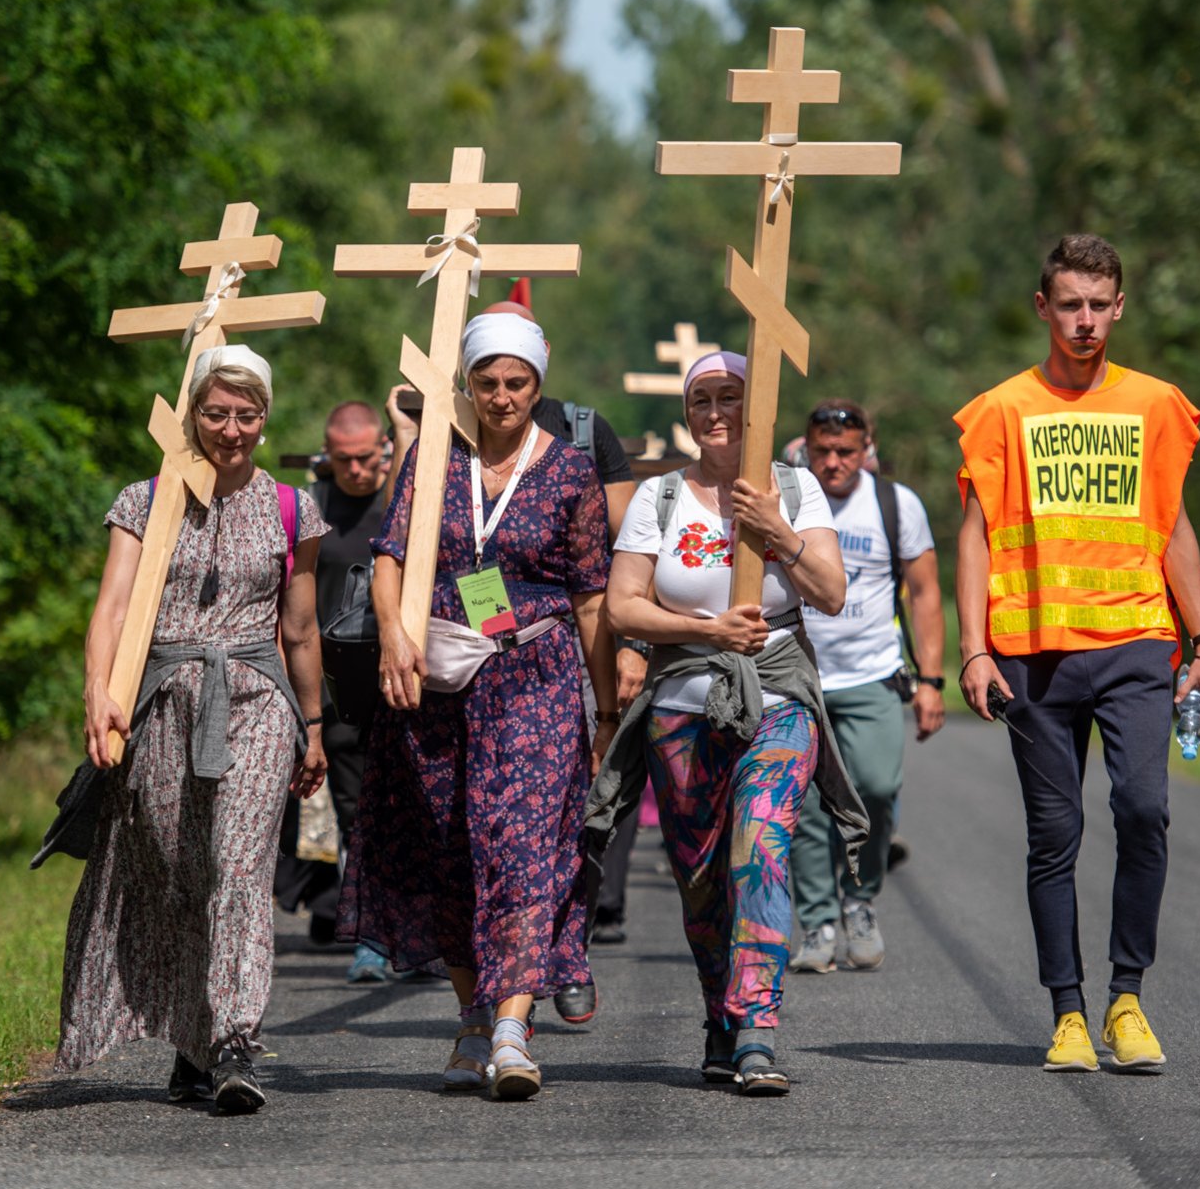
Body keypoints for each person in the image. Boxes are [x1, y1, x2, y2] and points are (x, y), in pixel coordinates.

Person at [955, 233, 1200, 1073]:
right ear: (1044, 307)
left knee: (1144, 810)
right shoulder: (1003, 407)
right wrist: (973, 651)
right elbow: (975, 537)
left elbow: (1171, 526)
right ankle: (1069, 1012)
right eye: (1067, 303)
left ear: (1119, 307)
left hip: (1138, 642)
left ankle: (1128, 999)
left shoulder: (1153, 403)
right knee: (1055, 833)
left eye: (1097, 305)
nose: (1083, 320)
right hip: (1033, 654)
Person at [341, 301, 617, 1100]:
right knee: (449, 846)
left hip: (538, 677)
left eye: (517, 382)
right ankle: (471, 1012)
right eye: (488, 382)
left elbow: (592, 597)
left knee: (524, 847)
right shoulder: (436, 460)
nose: (501, 396)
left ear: (539, 383)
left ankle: (512, 1027)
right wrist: (394, 636)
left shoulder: (568, 469)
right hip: (439, 681)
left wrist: (605, 706)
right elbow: (390, 557)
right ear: (467, 382)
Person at [57, 344, 330, 1116]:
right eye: (216, 412)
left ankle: (237, 1039)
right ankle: (194, 1033)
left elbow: (300, 626)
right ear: (191, 416)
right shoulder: (144, 502)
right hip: (165, 698)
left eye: (247, 414)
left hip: (257, 700)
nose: (231, 428)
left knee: (239, 866)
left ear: (266, 419)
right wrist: (97, 695)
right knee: (180, 867)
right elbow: (111, 609)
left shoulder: (291, 508)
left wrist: (312, 724)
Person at [592, 351, 867, 1096]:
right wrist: (711, 632)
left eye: (731, 397)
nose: (715, 411)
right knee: (703, 878)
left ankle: (756, 1026)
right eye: (702, 398)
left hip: (777, 695)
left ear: (757, 408)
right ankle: (721, 1014)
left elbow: (832, 592)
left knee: (762, 843)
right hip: (683, 701)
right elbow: (623, 606)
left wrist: (774, 526)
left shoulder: (797, 488)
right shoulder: (659, 496)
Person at [787, 399, 946, 974]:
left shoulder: (895, 506)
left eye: (846, 452)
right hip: (794, 676)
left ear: (867, 447)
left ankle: (860, 899)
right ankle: (820, 922)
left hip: (872, 675)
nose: (833, 463)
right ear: (804, 447)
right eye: (822, 451)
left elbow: (926, 592)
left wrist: (930, 680)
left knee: (877, 789)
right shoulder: (786, 498)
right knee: (803, 808)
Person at [271, 401, 396, 982]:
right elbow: (284, 603)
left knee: (418, 811)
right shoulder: (309, 508)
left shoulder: (404, 500)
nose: (355, 469)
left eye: (365, 457)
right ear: (328, 454)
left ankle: (418, 933)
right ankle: (371, 936)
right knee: (354, 812)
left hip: (407, 677)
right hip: (337, 686)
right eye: (343, 459)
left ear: (384, 450)